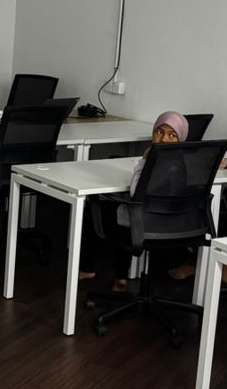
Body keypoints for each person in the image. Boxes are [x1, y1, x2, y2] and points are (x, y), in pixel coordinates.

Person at [79, 111, 188, 292]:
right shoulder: (185, 160)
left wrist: (143, 161)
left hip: (142, 227)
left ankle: (90, 269)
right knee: (128, 209)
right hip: (172, 228)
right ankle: (120, 277)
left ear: (180, 138)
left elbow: (135, 191)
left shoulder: (153, 160)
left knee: (95, 208)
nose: (163, 139)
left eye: (172, 135)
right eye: (159, 132)